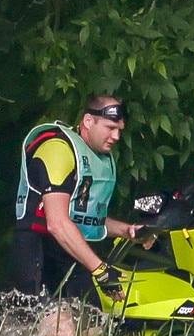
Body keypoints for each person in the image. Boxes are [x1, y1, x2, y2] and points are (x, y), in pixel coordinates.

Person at [12, 95, 143, 310]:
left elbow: (85, 218)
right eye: (110, 128)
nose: (117, 136)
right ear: (88, 121)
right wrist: (100, 270)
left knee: (95, 333)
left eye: (120, 130)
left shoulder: (96, 156)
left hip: (68, 251)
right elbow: (57, 223)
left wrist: (127, 231)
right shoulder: (58, 149)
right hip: (38, 250)